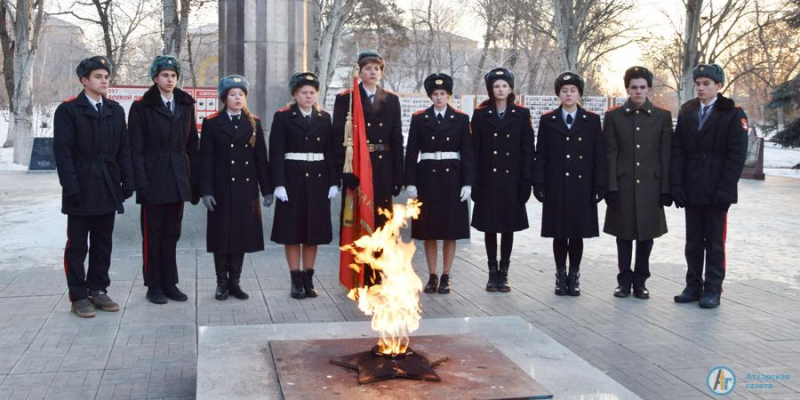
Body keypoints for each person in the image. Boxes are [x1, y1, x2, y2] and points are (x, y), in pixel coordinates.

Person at [54, 56, 134, 318]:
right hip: (81, 182)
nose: (104, 81)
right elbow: (63, 153)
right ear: (84, 80)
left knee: (103, 242)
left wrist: (127, 180)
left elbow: (124, 149)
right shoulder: (68, 111)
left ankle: (98, 288)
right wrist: (71, 186)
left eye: (106, 76)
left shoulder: (114, 109)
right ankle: (78, 296)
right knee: (77, 245)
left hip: (108, 183)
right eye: (98, 76)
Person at [670, 63, 748, 309]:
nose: (701, 88)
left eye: (706, 84)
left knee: (714, 241)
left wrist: (726, 189)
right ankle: (693, 285)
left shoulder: (733, 113)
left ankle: (713, 288)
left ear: (718, 86)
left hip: (717, 188)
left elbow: (737, 156)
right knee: (693, 241)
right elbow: (678, 150)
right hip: (693, 186)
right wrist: (677, 184)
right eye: (698, 84)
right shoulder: (688, 110)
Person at [129, 55, 200, 304]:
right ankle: (154, 285)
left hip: (179, 176)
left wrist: (195, 182)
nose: (170, 79)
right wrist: (141, 182)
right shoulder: (141, 107)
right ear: (155, 78)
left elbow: (193, 144)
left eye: (173, 75)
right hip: (153, 176)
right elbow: (135, 149)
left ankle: (170, 283)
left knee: (172, 233)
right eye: (165, 75)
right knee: (153, 234)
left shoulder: (185, 104)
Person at [333, 50, 404, 285]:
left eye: (377, 68)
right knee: (356, 217)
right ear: (359, 72)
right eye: (368, 68)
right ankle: (357, 272)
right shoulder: (347, 98)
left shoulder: (391, 99)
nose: (372, 72)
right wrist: (345, 172)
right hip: (357, 168)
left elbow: (396, 139)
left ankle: (376, 272)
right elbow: (339, 138)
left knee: (382, 220)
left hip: (383, 165)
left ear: (381, 72)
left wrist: (398, 174)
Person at [533, 71, 607, 297]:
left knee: (576, 233)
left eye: (573, 90)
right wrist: (539, 183)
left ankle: (574, 275)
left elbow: (598, 155)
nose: (568, 94)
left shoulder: (591, 120)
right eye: (564, 91)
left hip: (581, 187)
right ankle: (560, 275)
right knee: (559, 234)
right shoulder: (548, 120)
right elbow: (541, 154)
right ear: (559, 94)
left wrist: (599, 185)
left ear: (579, 94)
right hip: (556, 185)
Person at [199, 75, 273, 301]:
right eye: (232, 94)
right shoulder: (212, 122)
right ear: (224, 98)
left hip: (245, 189)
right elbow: (206, 160)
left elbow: (261, 158)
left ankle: (235, 282)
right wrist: (206, 191)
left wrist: (267, 189)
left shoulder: (253, 123)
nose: (237, 98)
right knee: (222, 236)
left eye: (241, 94)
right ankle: (221, 282)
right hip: (221, 189)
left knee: (240, 235)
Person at [604, 66, 673, 300]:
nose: (638, 91)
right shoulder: (614, 116)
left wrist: (666, 188)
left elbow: (666, 154)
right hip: (623, 185)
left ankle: (641, 281)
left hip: (650, 186)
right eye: (634, 87)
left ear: (649, 89)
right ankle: (624, 281)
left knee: (646, 235)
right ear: (627, 89)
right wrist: (610, 186)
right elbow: (610, 152)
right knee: (623, 235)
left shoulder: (662, 117)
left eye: (642, 87)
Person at [269, 72, 339, 299]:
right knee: (292, 233)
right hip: (292, 180)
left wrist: (333, 181)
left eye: (312, 92)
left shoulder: (323, 117)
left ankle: (309, 278)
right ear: (295, 94)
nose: (308, 96)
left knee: (313, 233)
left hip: (318, 180)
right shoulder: (283, 117)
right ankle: (295, 279)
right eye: (303, 92)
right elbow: (276, 152)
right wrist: (278, 184)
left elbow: (331, 151)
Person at [404, 73, 474, 294]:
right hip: (428, 179)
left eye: (443, 94)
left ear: (449, 95)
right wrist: (411, 181)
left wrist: (467, 183)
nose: (439, 97)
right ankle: (432, 275)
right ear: (430, 96)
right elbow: (411, 152)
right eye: (435, 94)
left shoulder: (461, 119)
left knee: (450, 231)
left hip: (452, 179)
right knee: (429, 231)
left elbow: (468, 153)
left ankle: (446, 275)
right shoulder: (419, 118)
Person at [470, 68, 535, 292]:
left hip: (512, 180)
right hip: (488, 180)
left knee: (508, 228)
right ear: (490, 89)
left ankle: (504, 272)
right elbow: (474, 151)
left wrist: (526, 181)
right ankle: (491, 272)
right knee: (489, 228)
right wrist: (474, 181)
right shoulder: (480, 115)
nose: (500, 89)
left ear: (510, 89)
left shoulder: (522, 114)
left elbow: (528, 151)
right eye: (496, 86)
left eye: (504, 86)